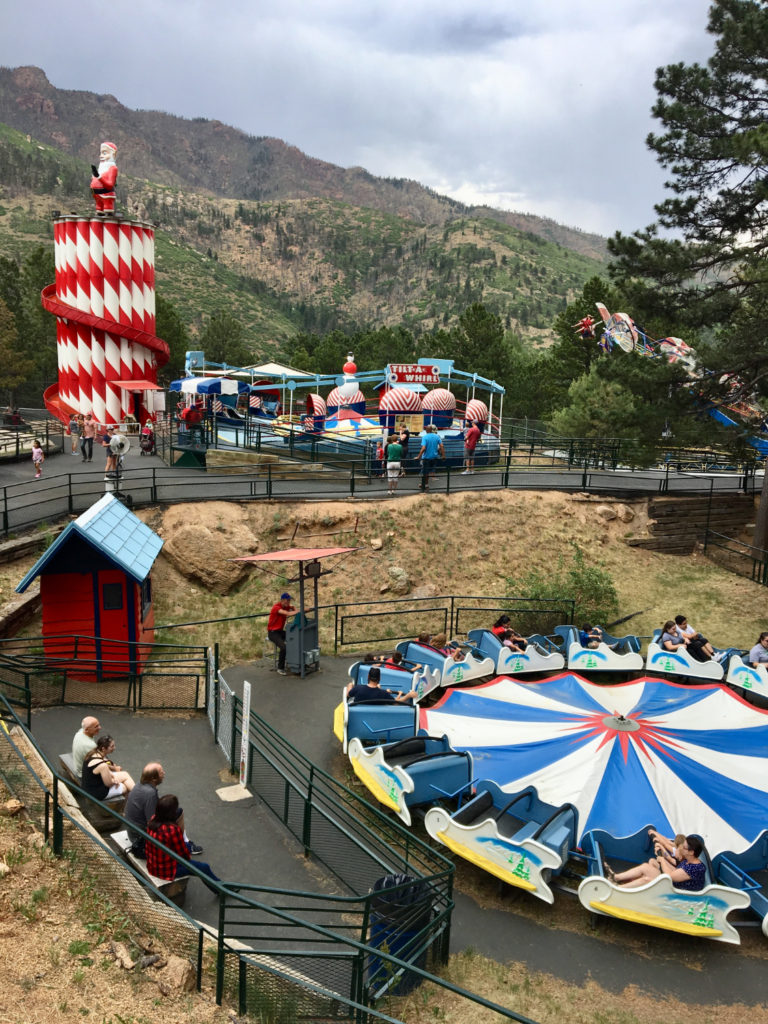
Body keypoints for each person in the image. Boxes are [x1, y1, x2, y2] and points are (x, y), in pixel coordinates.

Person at [124, 762, 203, 858]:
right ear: (154, 778)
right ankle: (185, 845)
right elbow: (152, 822)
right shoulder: (150, 794)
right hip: (139, 838)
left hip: (133, 831)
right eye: (161, 773)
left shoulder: (139, 785)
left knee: (172, 812)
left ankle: (184, 841)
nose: (164, 773)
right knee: (178, 812)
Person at [146, 794, 221, 891]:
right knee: (203, 868)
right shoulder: (172, 830)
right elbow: (183, 855)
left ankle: (190, 847)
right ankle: (221, 889)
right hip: (167, 870)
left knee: (187, 846)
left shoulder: (153, 819)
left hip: (153, 865)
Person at [606, 835, 706, 891]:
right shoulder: (689, 861)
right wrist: (661, 856)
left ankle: (617, 889)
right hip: (672, 884)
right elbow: (676, 871)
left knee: (646, 880)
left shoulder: (696, 868)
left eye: (683, 848)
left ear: (691, 852)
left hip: (676, 891)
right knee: (645, 867)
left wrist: (662, 860)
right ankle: (616, 877)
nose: (680, 849)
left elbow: (669, 876)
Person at [81, 735, 135, 800]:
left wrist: (112, 775)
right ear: (103, 749)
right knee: (125, 787)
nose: (114, 748)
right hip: (95, 792)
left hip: (89, 785)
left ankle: (138, 797)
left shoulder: (92, 753)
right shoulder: (103, 765)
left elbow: (102, 771)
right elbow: (108, 784)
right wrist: (114, 781)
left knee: (125, 774)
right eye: (112, 746)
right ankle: (137, 800)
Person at [346, 666, 417, 704]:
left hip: (358, 716)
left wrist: (350, 685)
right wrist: (408, 695)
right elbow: (396, 703)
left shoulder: (358, 689)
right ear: (379, 678)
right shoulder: (383, 694)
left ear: (368, 676)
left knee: (350, 685)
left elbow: (348, 695)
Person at [267, 592, 295, 675]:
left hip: (280, 631)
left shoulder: (285, 606)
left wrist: (295, 609)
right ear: (282, 600)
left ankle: (293, 662)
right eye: (288, 600)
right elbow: (288, 613)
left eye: (290, 600)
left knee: (294, 638)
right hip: (273, 633)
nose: (289, 602)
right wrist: (299, 611)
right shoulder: (276, 608)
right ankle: (280, 668)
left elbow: (292, 607)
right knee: (284, 648)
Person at [90, 141, 119, 214]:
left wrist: (99, 177)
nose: (100, 156)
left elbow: (109, 185)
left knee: (107, 212)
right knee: (99, 212)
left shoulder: (112, 168)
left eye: (104, 153)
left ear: (113, 154)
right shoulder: (101, 169)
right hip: (97, 196)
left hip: (106, 195)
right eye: (101, 153)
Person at [417, 425, 444, 492]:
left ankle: (425, 485)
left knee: (425, 472)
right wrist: (443, 455)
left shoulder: (425, 437)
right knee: (429, 472)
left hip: (426, 458)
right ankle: (424, 484)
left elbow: (423, 448)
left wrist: (418, 456)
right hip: (434, 457)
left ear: (426, 430)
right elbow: (441, 446)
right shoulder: (437, 436)